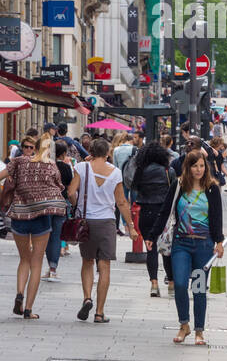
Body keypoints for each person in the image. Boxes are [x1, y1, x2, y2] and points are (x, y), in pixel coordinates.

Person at [149, 150, 225, 347]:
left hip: (203, 246)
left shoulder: (212, 189)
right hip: (181, 244)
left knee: (199, 289)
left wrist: (219, 242)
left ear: (205, 167)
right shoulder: (179, 185)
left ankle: (199, 330)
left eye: (201, 166)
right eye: (194, 166)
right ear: (188, 167)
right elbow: (165, 212)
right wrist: (152, 235)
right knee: (180, 284)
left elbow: (217, 218)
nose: (198, 170)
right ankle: (184, 325)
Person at [67, 138, 139, 324]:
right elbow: (122, 202)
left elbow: (70, 192)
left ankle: (87, 298)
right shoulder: (115, 173)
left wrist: (78, 206)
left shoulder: (82, 168)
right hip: (106, 222)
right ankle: (99, 313)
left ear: (90, 150)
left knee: (87, 262)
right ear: (108, 153)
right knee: (104, 265)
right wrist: (130, 227)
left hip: (87, 221)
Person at [0, 135, 68, 319]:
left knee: (24, 260)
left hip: (19, 216)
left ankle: (19, 293)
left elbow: (1, 176)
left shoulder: (18, 161)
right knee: (36, 263)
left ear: (34, 147)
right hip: (41, 217)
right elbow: (59, 187)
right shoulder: (51, 165)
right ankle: (28, 309)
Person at [134, 141, 176, 297]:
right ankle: (171, 284)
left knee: (150, 249)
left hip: (146, 213)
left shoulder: (141, 171)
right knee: (166, 249)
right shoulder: (168, 171)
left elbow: (134, 188)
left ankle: (154, 284)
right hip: (163, 214)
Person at [44, 140, 75, 281]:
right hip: (61, 204)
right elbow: (70, 189)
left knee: (46, 236)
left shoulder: (46, 166)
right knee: (57, 236)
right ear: (63, 154)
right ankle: (53, 268)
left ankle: (48, 267)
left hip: (47, 204)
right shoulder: (66, 168)